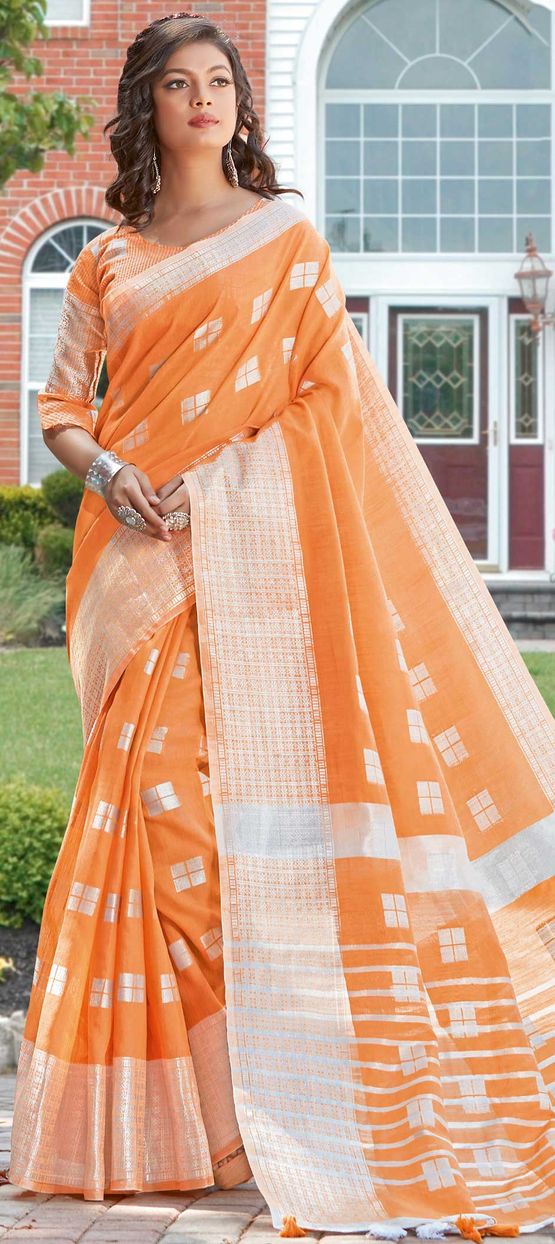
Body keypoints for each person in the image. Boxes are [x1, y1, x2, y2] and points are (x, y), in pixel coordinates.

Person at [7, 11, 555, 1239]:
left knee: (245, 827)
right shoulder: (110, 262)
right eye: (178, 83)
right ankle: (193, 1120)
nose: (203, 99)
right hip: (140, 565)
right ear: (146, 106)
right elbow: (60, 406)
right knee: (159, 820)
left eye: (220, 81)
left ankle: (279, 1107)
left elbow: (328, 403)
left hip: (258, 569)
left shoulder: (288, 242)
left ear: (242, 106)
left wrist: (222, 485)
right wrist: (110, 473)